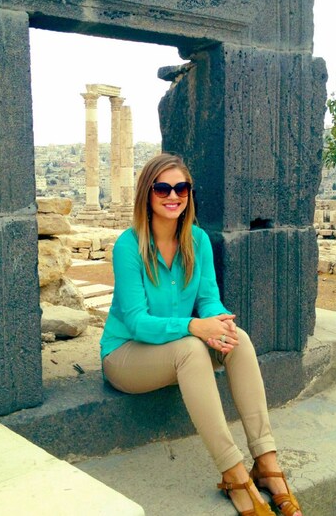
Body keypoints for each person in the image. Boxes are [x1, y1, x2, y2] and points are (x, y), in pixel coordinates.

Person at [100, 153, 302, 516]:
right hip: (127, 355)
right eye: (162, 188)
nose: (172, 195)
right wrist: (194, 326)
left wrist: (217, 321)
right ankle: (234, 475)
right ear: (147, 193)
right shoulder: (128, 246)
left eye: (182, 188)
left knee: (237, 338)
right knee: (192, 350)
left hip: (173, 346)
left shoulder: (198, 240)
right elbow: (136, 322)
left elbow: (208, 299)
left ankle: (266, 462)